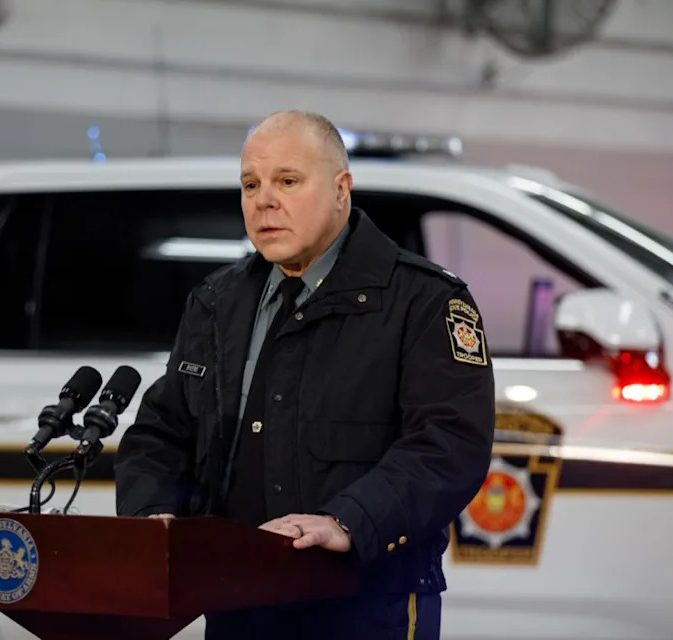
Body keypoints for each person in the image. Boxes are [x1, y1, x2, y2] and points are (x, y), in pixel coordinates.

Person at [114, 110, 495, 639]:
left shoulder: (424, 302)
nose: (263, 200)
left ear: (342, 188)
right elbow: (163, 429)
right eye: (251, 184)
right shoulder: (217, 303)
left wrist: (347, 521)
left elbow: (449, 445)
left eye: (287, 181)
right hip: (237, 601)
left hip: (368, 602)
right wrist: (151, 516)